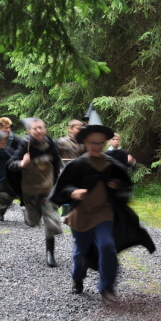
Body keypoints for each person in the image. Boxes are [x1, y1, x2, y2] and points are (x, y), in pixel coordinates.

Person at [49, 123, 128, 302]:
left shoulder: (112, 165)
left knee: (107, 246)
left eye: (100, 143)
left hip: (104, 213)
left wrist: (117, 186)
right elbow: (62, 187)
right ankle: (77, 278)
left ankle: (107, 287)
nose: (97, 146)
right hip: (81, 214)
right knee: (81, 251)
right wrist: (73, 192)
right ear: (85, 142)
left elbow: (125, 186)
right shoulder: (77, 165)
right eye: (93, 142)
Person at [7, 118, 64, 267]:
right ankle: (27, 214)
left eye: (41, 127)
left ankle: (50, 254)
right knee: (33, 222)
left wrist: (61, 170)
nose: (38, 131)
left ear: (45, 129)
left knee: (51, 221)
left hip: (47, 190)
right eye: (35, 128)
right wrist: (21, 163)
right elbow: (11, 164)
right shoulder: (25, 145)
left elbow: (57, 160)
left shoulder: (49, 143)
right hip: (30, 191)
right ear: (29, 131)